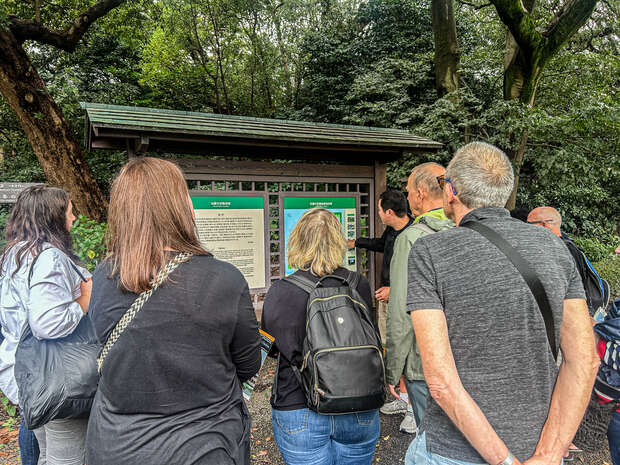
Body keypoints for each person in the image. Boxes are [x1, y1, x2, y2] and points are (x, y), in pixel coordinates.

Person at [404, 142, 599, 465]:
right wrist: (550, 454)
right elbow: (584, 360)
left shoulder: (430, 253)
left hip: (453, 452)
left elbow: (440, 382)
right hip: (537, 448)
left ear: (450, 191)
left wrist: (505, 461)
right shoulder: (554, 248)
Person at [86, 157, 261, 465]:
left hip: (117, 444)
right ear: (180, 207)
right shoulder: (223, 279)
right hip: (202, 445)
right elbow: (248, 363)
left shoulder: (103, 277)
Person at [262, 207, 380, 465]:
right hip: (359, 403)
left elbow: (270, 347)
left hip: (299, 404)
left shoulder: (282, 290)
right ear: (337, 241)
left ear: (298, 240)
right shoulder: (357, 283)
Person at [0, 185, 92, 465]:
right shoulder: (49, 257)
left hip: (26, 371)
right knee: (68, 459)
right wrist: (84, 300)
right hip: (57, 378)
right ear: (52, 216)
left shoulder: (13, 255)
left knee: (47, 453)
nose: (74, 217)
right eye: (69, 211)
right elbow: (46, 323)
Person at [385, 162, 454, 435]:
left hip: (422, 359)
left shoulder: (412, 238)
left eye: (409, 191)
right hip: (460, 355)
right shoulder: (466, 231)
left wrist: (393, 370)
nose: (408, 197)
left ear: (421, 193)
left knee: (431, 438)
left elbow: (402, 310)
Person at [347, 190, 414, 421]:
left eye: (378, 210)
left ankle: (411, 407)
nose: (377, 214)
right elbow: (380, 244)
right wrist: (356, 242)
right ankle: (402, 397)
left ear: (389, 212)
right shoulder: (392, 231)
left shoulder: (414, 235)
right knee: (390, 344)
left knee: (407, 348)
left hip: (403, 302)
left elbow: (417, 276)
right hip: (387, 299)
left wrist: (393, 290)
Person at [527, 206, 609, 316]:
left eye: (528, 224)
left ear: (544, 225)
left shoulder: (557, 252)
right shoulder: (570, 246)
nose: (524, 229)